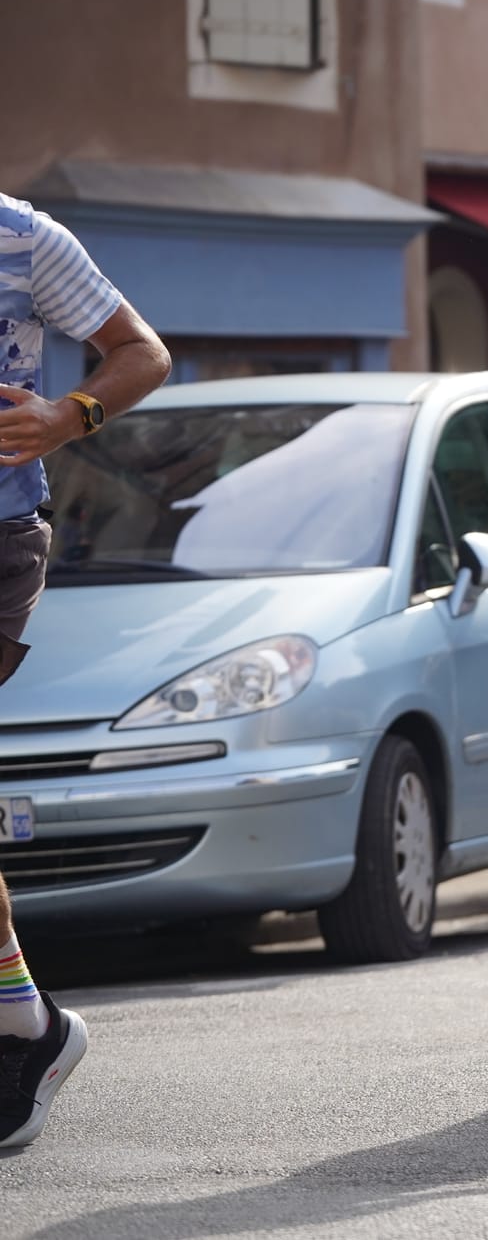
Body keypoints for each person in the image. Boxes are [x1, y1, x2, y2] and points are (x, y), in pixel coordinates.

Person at [0, 191, 173, 1148]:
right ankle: (26, 1020)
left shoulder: (23, 236)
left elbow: (142, 350)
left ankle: (26, 1022)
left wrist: (71, 414)